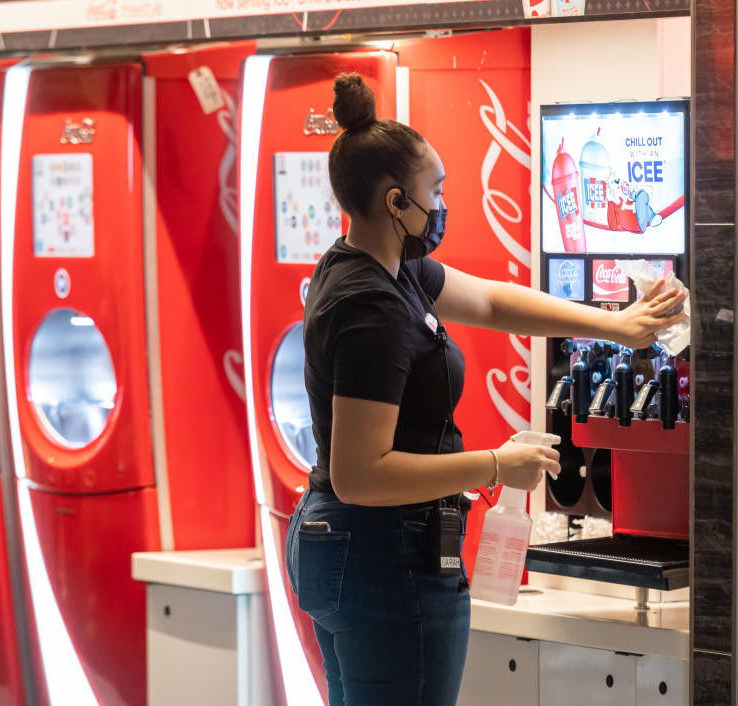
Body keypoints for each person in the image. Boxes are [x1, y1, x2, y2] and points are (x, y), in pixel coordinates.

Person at [284, 73, 687, 706]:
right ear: (396, 202)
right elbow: (361, 473)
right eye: (435, 192)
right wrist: (499, 464)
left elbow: (496, 302)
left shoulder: (385, 268)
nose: (442, 205)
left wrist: (617, 326)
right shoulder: (371, 307)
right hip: (381, 554)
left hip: (350, 549)